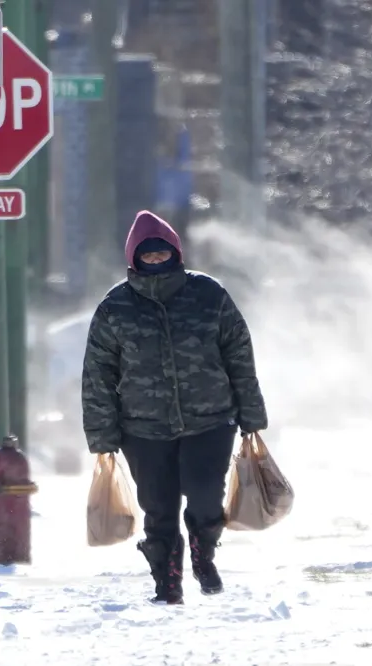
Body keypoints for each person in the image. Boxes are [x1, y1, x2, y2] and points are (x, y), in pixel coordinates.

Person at [81, 209, 268, 605]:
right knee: (158, 508)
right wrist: (102, 433)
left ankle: (204, 553)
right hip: (143, 428)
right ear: (134, 257)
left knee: (205, 494)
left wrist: (251, 413)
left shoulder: (209, 295)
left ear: (175, 252)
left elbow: (239, 355)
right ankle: (167, 582)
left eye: (160, 252)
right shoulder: (115, 308)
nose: (154, 260)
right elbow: (98, 373)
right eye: (146, 255)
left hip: (211, 420)